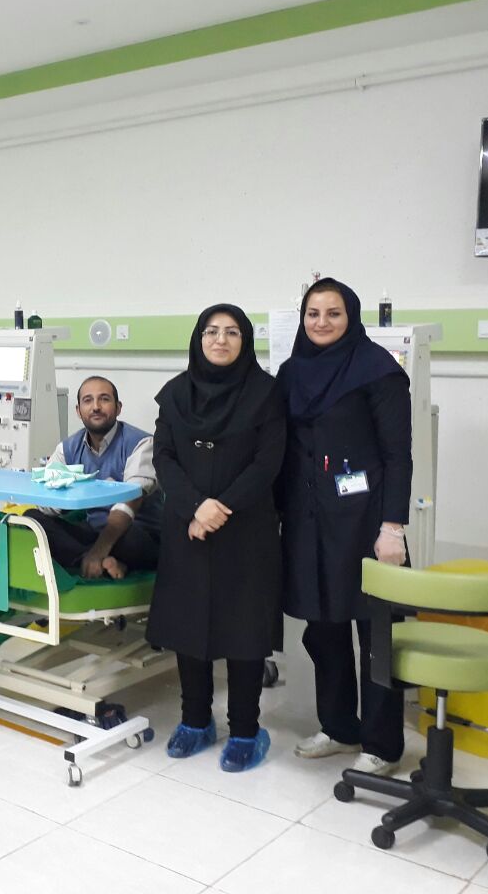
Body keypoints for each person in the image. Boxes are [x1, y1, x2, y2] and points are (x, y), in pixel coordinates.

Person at [276, 278, 411, 776]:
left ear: (351, 317)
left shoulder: (379, 371)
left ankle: (382, 744)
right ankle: (338, 727)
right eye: (313, 314)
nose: (322, 323)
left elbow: (397, 455)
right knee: (324, 629)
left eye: (333, 313)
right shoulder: (292, 373)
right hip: (309, 522)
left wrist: (393, 527)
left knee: (376, 636)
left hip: (367, 524)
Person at [148, 304, 286, 772]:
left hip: (246, 529)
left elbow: (268, 463)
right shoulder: (175, 394)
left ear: (245, 340)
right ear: (198, 338)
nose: (220, 340)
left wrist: (216, 509)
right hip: (187, 527)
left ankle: (246, 730)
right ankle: (195, 722)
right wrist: (194, 507)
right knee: (189, 628)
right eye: (211, 331)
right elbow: (164, 457)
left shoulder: (267, 394)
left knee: (244, 632)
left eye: (231, 332)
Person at [33, 376, 161, 579]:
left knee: (131, 540)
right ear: (78, 411)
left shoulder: (141, 443)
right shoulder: (67, 448)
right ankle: (97, 561)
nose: (96, 407)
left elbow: (131, 501)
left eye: (104, 399)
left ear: (118, 408)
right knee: (33, 521)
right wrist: (66, 491)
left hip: (136, 533)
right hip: (94, 531)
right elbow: (47, 501)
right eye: (88, 400)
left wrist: (99, 550)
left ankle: (97, 558)